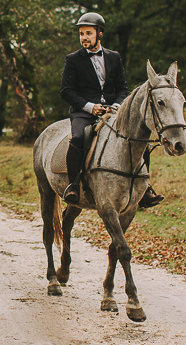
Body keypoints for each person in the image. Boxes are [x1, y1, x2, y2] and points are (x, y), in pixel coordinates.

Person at [59, 12, 164, 207]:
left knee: (140, 138)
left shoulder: (114, 57)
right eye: (81, 34)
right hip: (83, 112)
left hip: (113, 111)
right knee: (79, 138)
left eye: (88, 33)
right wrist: (90, 107)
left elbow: (122, 88)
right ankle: (73, 185)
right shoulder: (72, 59)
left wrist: (116, 106)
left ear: (100, 33)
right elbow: (66, 91)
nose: (84, 38)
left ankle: (145, 189)